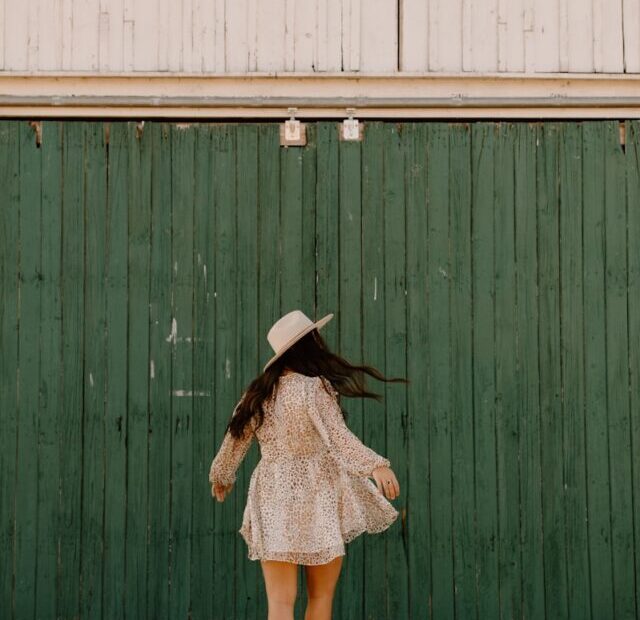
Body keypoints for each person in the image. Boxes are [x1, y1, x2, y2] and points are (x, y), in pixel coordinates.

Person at [209, 309, 407, 620]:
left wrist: (222, 475)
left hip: (273, 494)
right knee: (320, 597)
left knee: (280, 603)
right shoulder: (314, 388)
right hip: (317, 494)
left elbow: (234, 440)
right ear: (308, 345)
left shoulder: (257, 394)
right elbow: (338, 438)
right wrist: (375, 465)